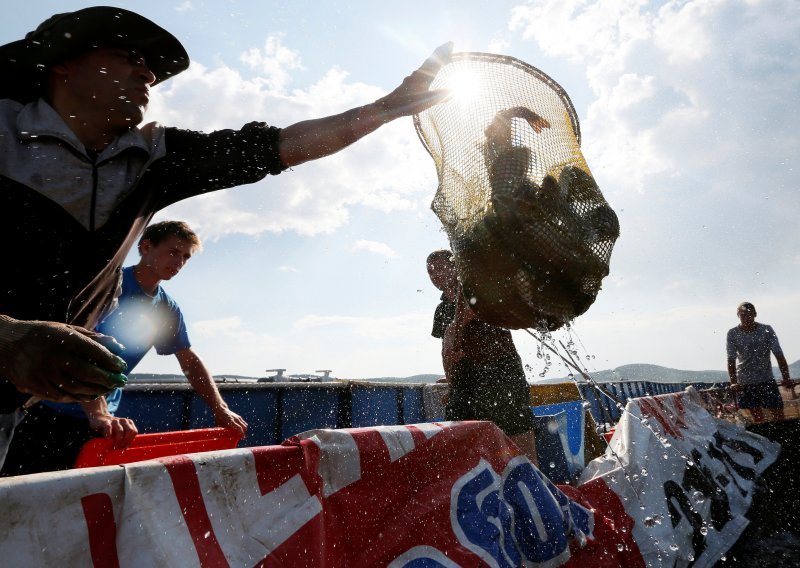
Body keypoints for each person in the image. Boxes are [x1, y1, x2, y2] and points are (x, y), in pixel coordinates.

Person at [0, 6, 451, 463]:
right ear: (63, 63)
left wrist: (384, 109)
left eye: (151, 68)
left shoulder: (151, 158)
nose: (148, 74)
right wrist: (9, 339)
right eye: (126, 56)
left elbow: (275, 147)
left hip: (15, 405)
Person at [1, 221, 248, 476]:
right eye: (173, 252)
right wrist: (99, 413)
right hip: (50, 408)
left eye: (185, 257)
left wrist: (220, 408)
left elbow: (189, 360)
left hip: (100, 425)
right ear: (146, 247)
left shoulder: (167, 309)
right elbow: (79, 344)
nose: (179, 262)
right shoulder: (107, 286)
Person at [426, 250, 538, 465]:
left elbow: (464, 324)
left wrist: (455, 329)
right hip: (465, 379)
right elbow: (446, 350)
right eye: (430, 271)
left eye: (441, 267)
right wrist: (451, 382)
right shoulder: (441, 309)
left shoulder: (480, 292)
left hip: (501, 372)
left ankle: (535, 489)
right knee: (462, 435)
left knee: (517, 434)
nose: (435, 275)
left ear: (456, 268)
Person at [726, 301, 792, 411]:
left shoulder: (766, 330)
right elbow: (731, 360)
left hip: (766, 380)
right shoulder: (732, 333)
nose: (747, 318)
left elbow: (779, 355)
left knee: (778, 415)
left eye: (749, 314)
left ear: (755, 314)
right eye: (743, 315)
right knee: (755, 420)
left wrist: (786, 378)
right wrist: (733, 383)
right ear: (738, 316)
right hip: (745, 383)